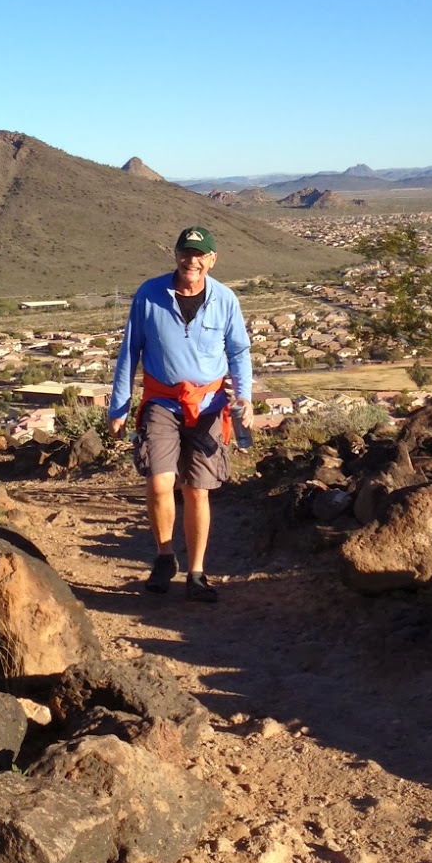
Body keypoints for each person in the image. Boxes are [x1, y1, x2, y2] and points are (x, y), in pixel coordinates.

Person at [108, 226, 254, 602]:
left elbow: (239, 352)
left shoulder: (225, 300)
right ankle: (164, 556)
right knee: (159, 483)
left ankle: (197, 573)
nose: (192, 260)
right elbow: (130, 351)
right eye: (186, 253)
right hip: (162, 401)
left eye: (200, 254)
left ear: (212, 259)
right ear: (175, 255)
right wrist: (119, 406)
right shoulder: (150, 294)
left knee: (196, 490)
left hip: (208, 407)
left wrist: (245, 396)